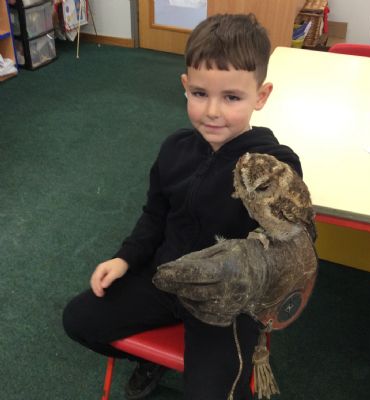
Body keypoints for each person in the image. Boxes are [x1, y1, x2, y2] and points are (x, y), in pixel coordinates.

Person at [63, 13, 303, 400]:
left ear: (260, 96)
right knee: (78, 319)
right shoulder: (174, 149)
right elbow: (155, 214)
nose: (212, 111)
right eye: (200, 94)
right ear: (185, 87)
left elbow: (285, 244)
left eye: (232, 97)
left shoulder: (273, 165)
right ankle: (151, 362)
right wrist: (126, 258)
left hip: (225, 303)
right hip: (164, 277)